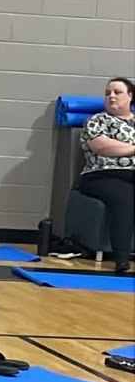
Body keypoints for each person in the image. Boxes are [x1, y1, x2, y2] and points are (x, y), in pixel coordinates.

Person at [78, 77, 134, 273]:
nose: (111, 96)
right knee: (124, 195)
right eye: (107, 93)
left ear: (130, 96)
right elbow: (102, 146)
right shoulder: (97, 120)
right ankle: (122, 257)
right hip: (100, 176)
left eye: (117, 92)